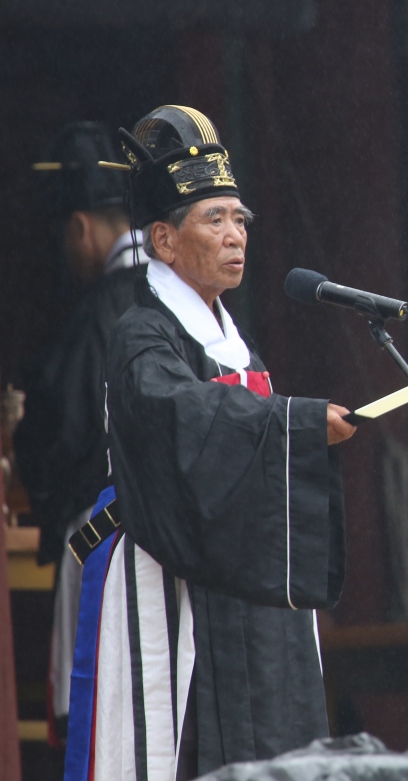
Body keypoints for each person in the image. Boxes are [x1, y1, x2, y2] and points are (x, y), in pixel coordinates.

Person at [63, 106, 355, 781]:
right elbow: (182, 414)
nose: (235, 235)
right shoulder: (143, 333)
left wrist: (297, 428)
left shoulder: (233, 339)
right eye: (214, 219)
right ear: (164, 241)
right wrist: (296, 424)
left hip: (239, 577)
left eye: (240, 219)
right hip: (166, 572)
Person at [13, 122, 148, 739]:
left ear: (79, 228)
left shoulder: (99, 316)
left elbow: (59, 438)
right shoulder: (190, 304)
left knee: (100, 724)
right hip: (184, 543)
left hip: (105, 539)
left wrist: (22, 440)